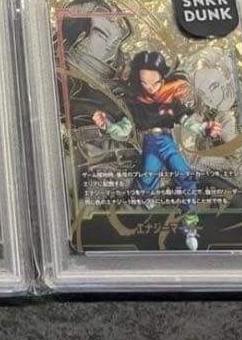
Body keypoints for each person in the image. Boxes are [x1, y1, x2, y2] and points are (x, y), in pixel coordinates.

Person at [92, 51, 223, 251]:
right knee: (146, 182)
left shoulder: (170, 101)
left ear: (163, 79)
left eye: (155, 83)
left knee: (186, 178)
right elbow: (123, 130)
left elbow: (188, 122)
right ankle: (143, 200)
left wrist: (205, 128)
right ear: (138, 81)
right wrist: (107, 125)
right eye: (145, 83)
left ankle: (190, 226)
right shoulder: (134, 105)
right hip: (150, 145)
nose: (151, 88)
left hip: (167, 144)